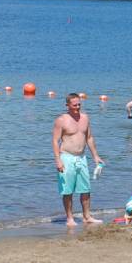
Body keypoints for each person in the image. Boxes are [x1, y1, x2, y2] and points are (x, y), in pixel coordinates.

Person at [53, 93, 103, 226]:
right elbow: (55, 140)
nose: (77, 107)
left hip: (81, 158)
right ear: (67, 105)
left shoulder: (85, 118)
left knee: (85, 189)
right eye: (74, 105)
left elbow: (89, 138)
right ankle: (70, 218)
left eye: (79, 104)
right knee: (67, 190)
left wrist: (95, 156)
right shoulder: (61, 120)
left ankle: (87, 216)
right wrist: (58, 160)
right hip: (66, 157)